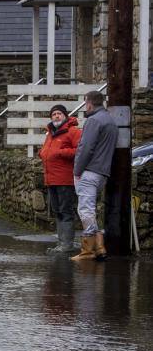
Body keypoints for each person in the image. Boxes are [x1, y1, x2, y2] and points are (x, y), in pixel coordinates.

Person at [71, 90, 117, 261]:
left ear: (89, 103)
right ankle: (99, 248)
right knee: (89, 208)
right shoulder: (110, 121)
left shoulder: (93, 120)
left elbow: (85, 148)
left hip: (89, 171)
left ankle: (88, 250)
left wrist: (77, 171)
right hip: (102, 172)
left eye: (85, 104)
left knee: (85, 209)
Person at [38, 104, 81, 253]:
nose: (56, 116)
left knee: (66, 211)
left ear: (65, 116)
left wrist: (62, 152)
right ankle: (61, 243)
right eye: (54, 114)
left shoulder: (73, 132)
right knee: (57, 211)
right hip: (51, 179)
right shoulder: (50, 133)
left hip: (65, 180)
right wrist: (43, 153)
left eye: (59, 114)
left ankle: (67, 245)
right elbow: (46, 150)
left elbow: (80, 150)